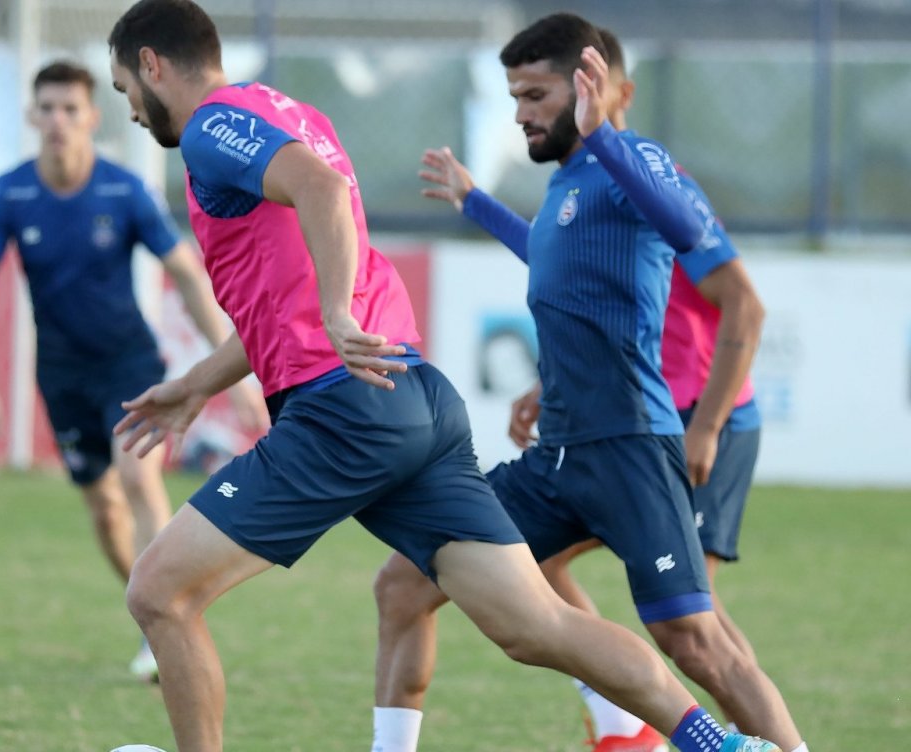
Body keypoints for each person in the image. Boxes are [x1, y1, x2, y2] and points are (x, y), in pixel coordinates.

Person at [104, 2, 777, 751]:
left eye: (123, 87)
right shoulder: (290, 111)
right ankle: (717, 745)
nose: (129, 108)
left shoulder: (210, 126)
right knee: (535, 626)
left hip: (344, 409)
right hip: (416, 400)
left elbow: (321, 197)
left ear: (153, 64)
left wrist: (332, 315)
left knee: (160, 592)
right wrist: (201, 380)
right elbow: (283, 282)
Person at [370, 13, 807, 752]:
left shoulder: (631, 159)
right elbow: (549, 258)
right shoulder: (572, 182)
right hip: (559, 456)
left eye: (535, 95)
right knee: (406, 583)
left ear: (584, 86)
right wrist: (477, 203)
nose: (520, 114)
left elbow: (688, 233)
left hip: (630, 447)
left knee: (695, 640)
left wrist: (604, 132)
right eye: (513, 96)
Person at [0, 60, 266, 679]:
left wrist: (239, 374)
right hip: (62, 374)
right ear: (32, 117)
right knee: (102, 507)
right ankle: (154, 612)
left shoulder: (123, 191)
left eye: (71, 109)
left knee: (137, 479)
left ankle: (166, 617)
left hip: (129, 363)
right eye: (47, 109)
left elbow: (183, 271)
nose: (58, 122)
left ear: (93, 117)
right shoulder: (11, 193)